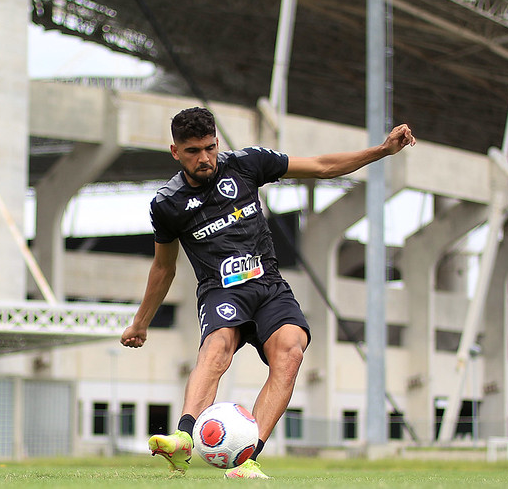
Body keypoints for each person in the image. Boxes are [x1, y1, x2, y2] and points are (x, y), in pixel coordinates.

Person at [120, 107, 415, 478]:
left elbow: (322, 165)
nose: (204, 158)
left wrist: (382, 151)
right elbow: (164, 267)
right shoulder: (168, 203)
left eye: (210, 147)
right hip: (221, 290)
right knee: (216, 351)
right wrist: (140, 324)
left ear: (217, 142)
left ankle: (249, 459)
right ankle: (183, 438)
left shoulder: (248, 164)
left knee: (291, 351)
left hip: (269, 286)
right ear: (175, 152)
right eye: (193, 151)